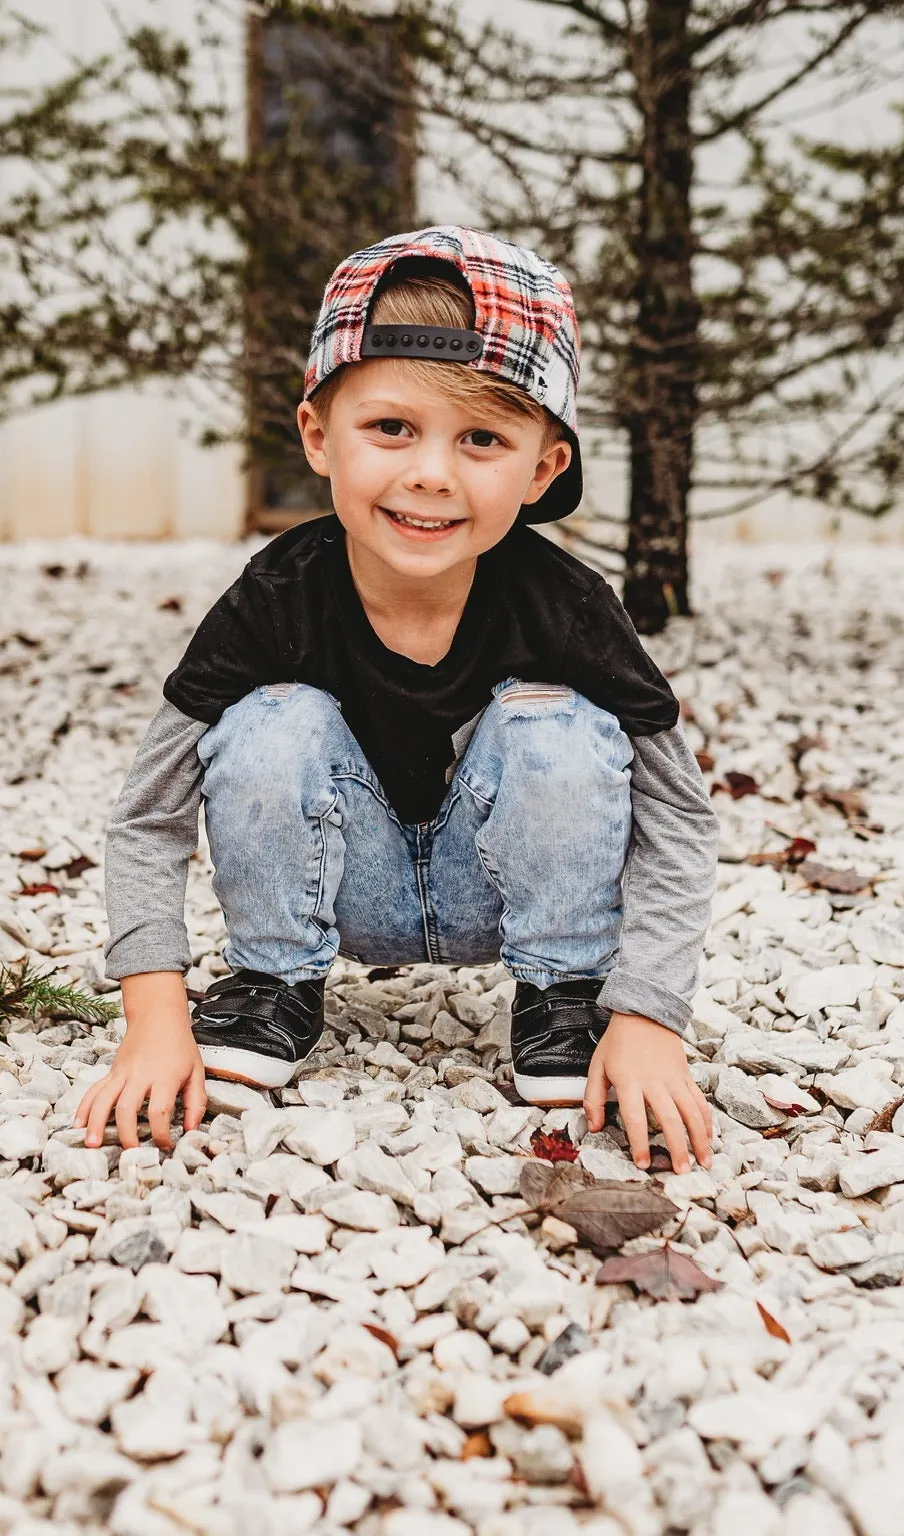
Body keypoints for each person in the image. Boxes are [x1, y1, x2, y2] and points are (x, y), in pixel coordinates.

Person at [77, 226, 717, 1173]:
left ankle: (565, 995)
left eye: (482, 440)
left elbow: (678, 815)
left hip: (503, 894)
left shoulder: (567, 605)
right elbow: (147, 815)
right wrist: (153, 1018)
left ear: (543, 467)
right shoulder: (277, 595)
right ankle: (271, 985)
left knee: (559, 727)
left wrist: (649, 1013)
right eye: (390, 429)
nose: (429, 473)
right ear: (316, 435)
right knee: (268, 721)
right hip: (337, 890)